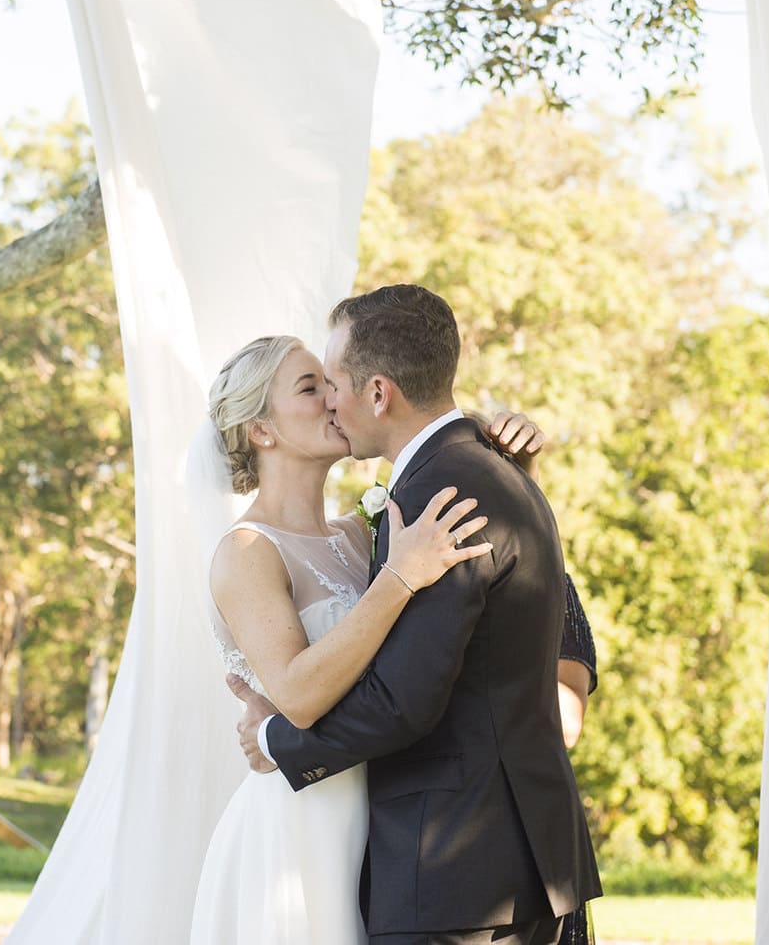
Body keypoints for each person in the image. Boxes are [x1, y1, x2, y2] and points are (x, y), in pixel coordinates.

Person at [229, 284, 601, 945]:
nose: (331, 401)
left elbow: (405, 701)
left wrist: (273, 741)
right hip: (485, 856)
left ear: (377, 393)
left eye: (332, 382)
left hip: (456, 869)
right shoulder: (481, 476)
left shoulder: (440, 495)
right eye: (309, 388)